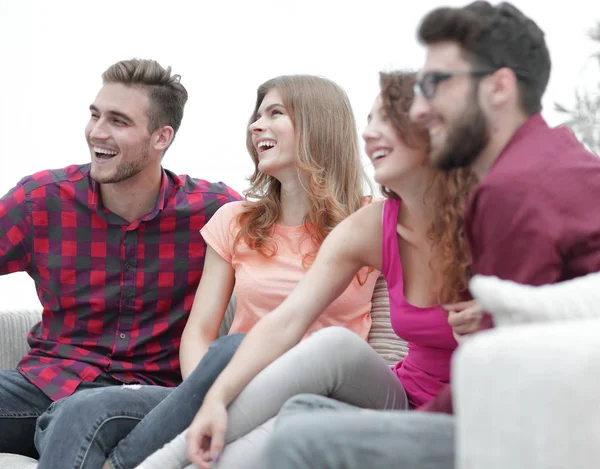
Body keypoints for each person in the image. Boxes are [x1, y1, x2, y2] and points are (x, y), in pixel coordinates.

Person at [261, 2, 600, 468]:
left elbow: (500, 372)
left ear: (498, 87)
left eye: (438, 85)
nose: (424, 107)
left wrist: (413, 421)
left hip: (531, 424)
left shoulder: (512, 189)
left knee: (303, 440)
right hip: (467, 398)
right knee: (301, 415)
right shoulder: (549, 161)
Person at [34, 74, 379, 469]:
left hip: (315, 395)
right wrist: (207, 390)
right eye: (257, 114)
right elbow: (199, 331)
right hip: (231, 387)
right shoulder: (236, 220)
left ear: (318, 124)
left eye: (275, 113)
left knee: (234, 349)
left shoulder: (369, 222)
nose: (256, 125)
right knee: (82, 408)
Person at [144, 70, 477, 469]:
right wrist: (214, 398)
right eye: (370, 122)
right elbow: (287, 320)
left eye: (388, 122)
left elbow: (563, 315)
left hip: (476, 411)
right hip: (399, 398)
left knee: (297, 413)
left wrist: (509, 320)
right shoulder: (372, 225)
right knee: (320, 362)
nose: (370, 135)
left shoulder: (498, 220)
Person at [0, 58, 241, 460]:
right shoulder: (41, 200)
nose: (97, 131)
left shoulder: (215, 212)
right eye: (95, 115)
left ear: (161, 137)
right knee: (68, 414)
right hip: (47, 382)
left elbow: (286, 251)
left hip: (146, 401)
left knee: (78, 416)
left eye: (118, 121)